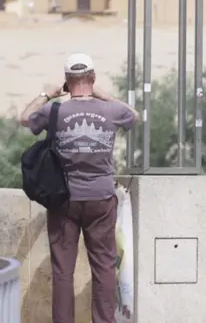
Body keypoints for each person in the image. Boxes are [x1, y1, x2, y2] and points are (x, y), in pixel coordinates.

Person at [18, 53, 137, 323]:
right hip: (102, 198)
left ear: (67, 83)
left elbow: (25, 119)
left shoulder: (55, 110)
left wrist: (46, 95)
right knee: (104, 267)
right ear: (93, 78)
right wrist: (106, 96)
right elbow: (135, 116)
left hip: (64, 200)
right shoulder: (109, 110)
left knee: (62, 271)